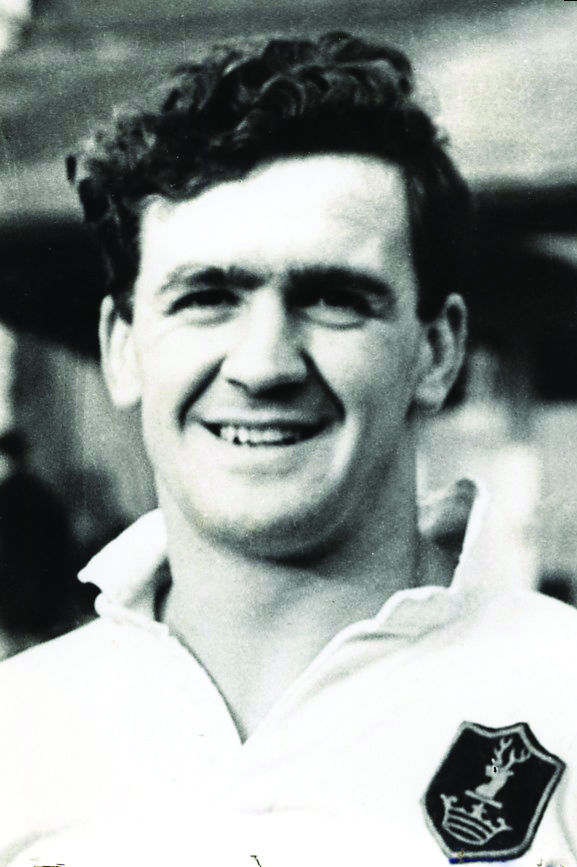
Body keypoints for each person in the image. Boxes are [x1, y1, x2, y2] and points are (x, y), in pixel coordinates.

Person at [1, 31, 576, 867]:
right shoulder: (18, 739)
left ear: (436, 350)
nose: (264, 364)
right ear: (122, 347)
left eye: (334, 298)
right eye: (206, 297)